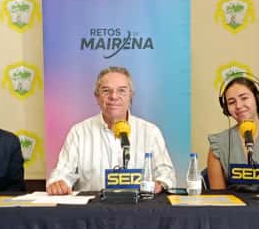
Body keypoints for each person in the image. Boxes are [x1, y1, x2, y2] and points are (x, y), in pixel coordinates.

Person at [46, 66, 175, 194]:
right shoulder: (79, 132)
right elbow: (62, 173)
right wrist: (58, 183)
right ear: (97, 97)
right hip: (92, 211)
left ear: (131, 96)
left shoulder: (150, 132)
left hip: (140, 208)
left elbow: (167, 174)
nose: (114, 96)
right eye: (106, 91)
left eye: (122, 91)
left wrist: (159, 184)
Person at [206, 74, 259, 189]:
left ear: (257, 99)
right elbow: (218, 198)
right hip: (230, 207)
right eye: (231, 102)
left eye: (244, 98)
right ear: (226, 109)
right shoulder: (217, 144)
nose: (238, 106)